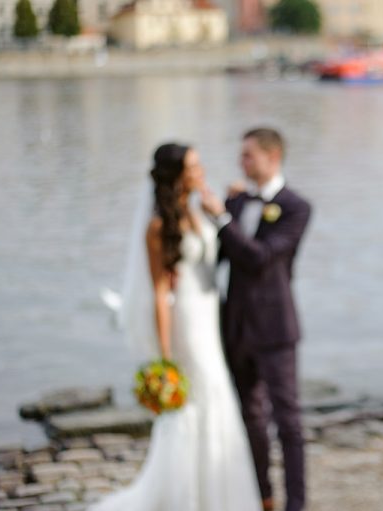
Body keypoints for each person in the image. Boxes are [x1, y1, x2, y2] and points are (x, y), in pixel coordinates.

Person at [90, 143, 260, 511]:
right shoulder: (157, 225)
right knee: (200, 398)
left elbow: (226, 245)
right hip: (187, 321)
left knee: (217, 396)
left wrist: (228, 206)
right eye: (193, 166)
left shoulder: (198, 208)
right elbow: (159, 293)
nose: (201, 171)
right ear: (177, 175)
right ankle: (189, 497)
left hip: (209, 316)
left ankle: (221, 491)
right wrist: (165, 355)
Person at [201, 128, 311, 511]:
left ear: (272, 156)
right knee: (249, 415)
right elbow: (218, 256)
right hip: (234, 327)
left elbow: (259, 257)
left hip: (275, 328)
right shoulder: (237, 201)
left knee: (289, 421)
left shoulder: (296, 206)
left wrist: (219, 218)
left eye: (248, 155)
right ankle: (262, 496)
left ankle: (296, 504)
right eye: (241, 155)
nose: (241, 162)